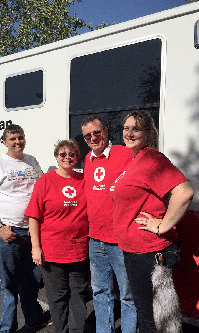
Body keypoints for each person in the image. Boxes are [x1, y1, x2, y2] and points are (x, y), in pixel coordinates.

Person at [110, 111, 194, 333]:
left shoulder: (151, 158)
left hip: (148, 252)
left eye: (136, 129)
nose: (129, 133)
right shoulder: (136, 159)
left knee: (151, 319)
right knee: (150, 314)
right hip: (135, 250)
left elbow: (184, 192)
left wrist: (162, 225)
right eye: (126, 128)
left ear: (148, 132)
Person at [0, 124, 46, 333]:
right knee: (9, 284)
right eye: (13, 138)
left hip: (32, 232)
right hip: (10, 232)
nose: (18, 142)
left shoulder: (32, 161)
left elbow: (43, 187)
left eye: (21, 137)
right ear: (5, 142)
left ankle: (34, 318)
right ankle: (7, 328)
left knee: (33, 279)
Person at [24, 139, 89, 333]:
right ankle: (61, 330)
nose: (67, 157)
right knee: (57, 297)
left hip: (79, 250)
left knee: (78, 295)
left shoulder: (84, 181)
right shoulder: (46, 181)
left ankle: (77, 330)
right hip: (52, 251)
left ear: (77, 157)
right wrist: (36, 248)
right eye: (63, 154)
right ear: (57, 157)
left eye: (72, 154)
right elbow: (33, 217)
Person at [81, 116, 137, 333]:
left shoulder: (125, 153)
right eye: (88, 135)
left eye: (96, 132)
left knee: (127, 294)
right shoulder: (87, 159)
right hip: (95, 239)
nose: (93, 138)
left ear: (105, 130)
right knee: (100, 291)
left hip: (120, 240)